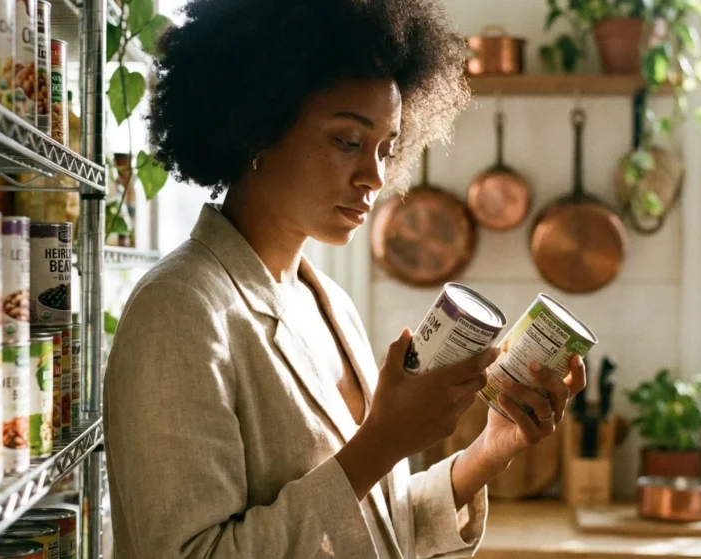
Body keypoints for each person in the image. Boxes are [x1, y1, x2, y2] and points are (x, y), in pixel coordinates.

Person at [101, 0, 586, 557]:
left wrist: (489, 451)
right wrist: (382, 443)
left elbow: (373, 521)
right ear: (256, 127)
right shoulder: (179, 309)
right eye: (348, 142)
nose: (375, 176)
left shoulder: (326, 300)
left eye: (386, 147)